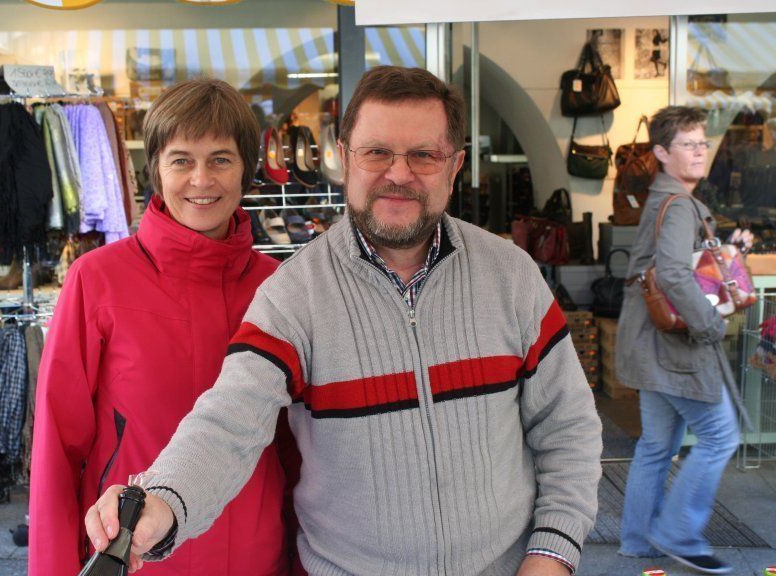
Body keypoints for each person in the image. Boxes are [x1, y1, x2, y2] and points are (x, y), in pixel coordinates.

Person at [85, 65, 603, 576]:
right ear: (344, 157)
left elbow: (568, 428)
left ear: (455, 165)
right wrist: (161, 502)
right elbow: (228, 423)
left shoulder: (510, 276)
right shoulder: (292, 295)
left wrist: (552, 555)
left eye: (423, 155)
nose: (398, 174)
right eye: (377, 152)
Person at [28, 79, 291, 576]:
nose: (201, 179)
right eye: (181, 160)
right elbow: (58, 447)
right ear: (156, 168)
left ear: (245, 170)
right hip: (132, 558)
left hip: (255, 554)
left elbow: (299, 448)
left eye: (220, 159)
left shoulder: (280, 287)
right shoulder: (98, 280)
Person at [616, 105, 751, 575]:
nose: (698, 152)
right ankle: (678, 534)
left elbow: (682, 266)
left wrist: (731, 252)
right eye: (687, 144)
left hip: (650, 344)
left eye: (702, 143)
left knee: (656, 445)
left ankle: (638, 539)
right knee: (720, 435)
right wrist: (710, 325)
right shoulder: (677, 205)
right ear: (660, 152)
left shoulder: (666, 200)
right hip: (673, 350)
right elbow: (674, 274)